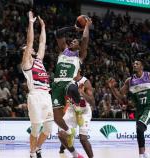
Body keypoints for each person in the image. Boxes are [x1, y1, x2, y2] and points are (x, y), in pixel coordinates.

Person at [108, 59, 150, 158]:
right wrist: (112, 88)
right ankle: (142, 154)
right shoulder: (129, 81)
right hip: (139, 109)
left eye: (137, 64)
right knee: (139, 131)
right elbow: (120, 97)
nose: (134, 65)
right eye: (133, 64)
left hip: (149, 106)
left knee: (139, 127)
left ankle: (142, 155)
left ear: (142, 67)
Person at [52, 16, 92, 158]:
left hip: (69, 82)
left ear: (79, 46)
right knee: (56, 118)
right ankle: (74, 151)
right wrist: (74, 28)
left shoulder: (79, 55)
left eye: (76, 41)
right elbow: (58, 33)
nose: (73, 41)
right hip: (57, 84)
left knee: (73, 88)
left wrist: (86, 26)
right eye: (72, 40)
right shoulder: (63, 50)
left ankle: (79, 111)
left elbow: (85, 40)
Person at [21, 11, 54, 158]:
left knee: (48, 129)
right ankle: (32, 153)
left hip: (46, 96)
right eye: (27, 50)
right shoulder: (26, 64)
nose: (30, 49)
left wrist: (43, 27)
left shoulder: (39, 60)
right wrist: (31, 23)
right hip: (35, 96)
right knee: (35, 128)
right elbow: (30, 42)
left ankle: (38, 148)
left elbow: (42, 43)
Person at [60, 68, 95, 158]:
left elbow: (92, 103)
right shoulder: (67, 81)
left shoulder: (85, 82)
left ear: (79, 69)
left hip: (84, 112)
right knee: (61, 134)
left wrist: (82, 92)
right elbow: (65, 98)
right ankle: (73, 153)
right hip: (72, 110)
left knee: (83, 139)